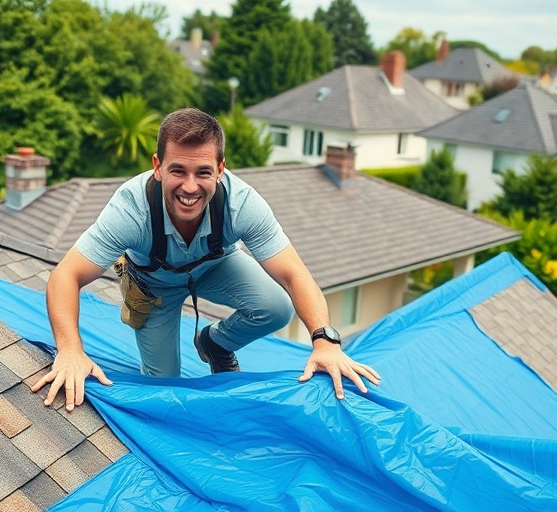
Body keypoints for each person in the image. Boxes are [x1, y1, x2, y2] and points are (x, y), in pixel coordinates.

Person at [32, 108, 381, 411]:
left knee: (277, 306)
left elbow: (294, 275)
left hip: (216, 268)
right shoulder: (130, 211)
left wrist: (325, 342)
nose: (189, 186)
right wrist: (70, 351)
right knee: (164, 389)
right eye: (177, 171)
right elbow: (66, 276)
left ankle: (215, 343)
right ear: (157, 167)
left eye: (202, 172)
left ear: (220, 169)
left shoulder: (241, 204)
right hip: (154, 286)